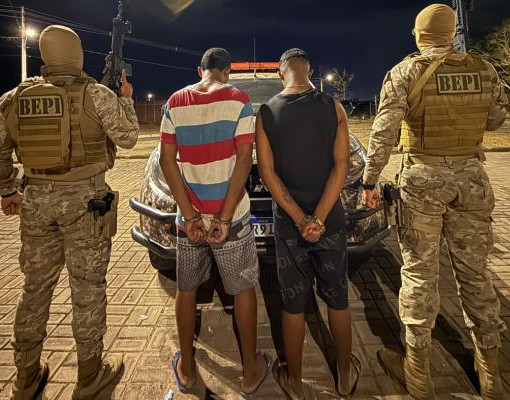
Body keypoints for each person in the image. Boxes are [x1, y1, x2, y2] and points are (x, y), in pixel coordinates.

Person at [362, 4, 508, 399]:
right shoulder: (484, 69)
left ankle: (417, 371)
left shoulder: (405, 72)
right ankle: (491, 374)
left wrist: (370, 179)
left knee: (419, 274)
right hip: (472, 181)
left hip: (423, 180)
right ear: (451, 31)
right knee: (475, 275)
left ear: (419, 34)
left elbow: (384, 132)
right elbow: (496, 120)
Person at [0, 25, 139, 400]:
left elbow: (0, 150)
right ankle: (90, 376)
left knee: (34, 289)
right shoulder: (95, 95)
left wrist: (8, 189)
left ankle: (26, 378)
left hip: (35, 202)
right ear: (76, 54)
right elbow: (128, 137)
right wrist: (126, 99)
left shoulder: (14, 98)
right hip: (85, 203)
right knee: (88, 289)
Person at [158, 47, 271, 396]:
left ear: (200, 70)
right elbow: (244, 160)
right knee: (243, 289)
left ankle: (188, 369)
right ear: (227, 71)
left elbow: (166, 161)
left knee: (187, 289)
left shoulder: (175, 102)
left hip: (190, 220)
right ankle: (250, 371)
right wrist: (223, 216)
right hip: (231, 218)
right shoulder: (239, 100)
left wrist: (191, 215)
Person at [256, 48, 359, 400]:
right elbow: (342, 165)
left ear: (279, 72)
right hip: (330, 222)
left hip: (290, 226)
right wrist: (319, 218)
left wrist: (301, 220)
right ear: (310, 70)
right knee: (338, 300)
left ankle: (295, 382)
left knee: (292, 304)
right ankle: (344, 376)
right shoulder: (334, 107)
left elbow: (267, 173)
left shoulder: (267, 112)